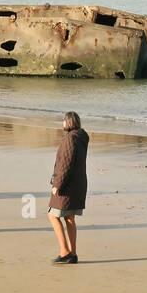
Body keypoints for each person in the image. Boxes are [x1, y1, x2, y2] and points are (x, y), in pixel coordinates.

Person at [48, 111, 89, 264]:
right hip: (78, 184)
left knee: (53, 215)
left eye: (63, 121)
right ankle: (73, 253)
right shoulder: (81, 137)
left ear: (68, 122)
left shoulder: (70, 139)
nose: (62, 123)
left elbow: (66, 164)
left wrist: (57, 185)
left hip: (67, 185)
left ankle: (65, 251)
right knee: (69, 218)